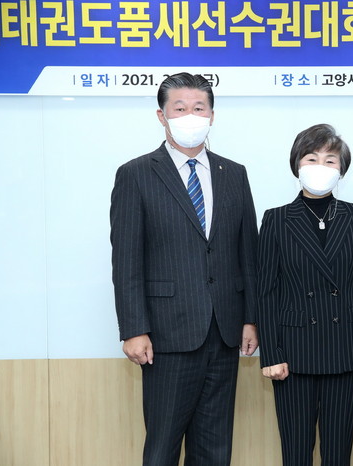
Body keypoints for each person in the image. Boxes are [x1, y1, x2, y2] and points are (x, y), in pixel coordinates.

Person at [110, 72, 259, 465]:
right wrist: (134, 329)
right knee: (163, 446)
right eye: (180, 108)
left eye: (199, 108)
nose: (190, 116)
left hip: (224, 331)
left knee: (215, 447)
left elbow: (248, 253)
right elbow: (126, 261)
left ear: (212, 116)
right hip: (166, 335)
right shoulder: (136, 174)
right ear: (162, 116)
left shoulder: (234, 173)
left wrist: (250, 319)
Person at [257, 124, 353, 465]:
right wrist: (270, 354)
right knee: (296, 451)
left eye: (330, 160)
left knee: (338, 451)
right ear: (297, 164)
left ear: (342, 169)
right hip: (293, 353)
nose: (320, 167)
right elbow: (266, 292)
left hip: (347, 349)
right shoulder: (276, 219)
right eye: (311, 158)